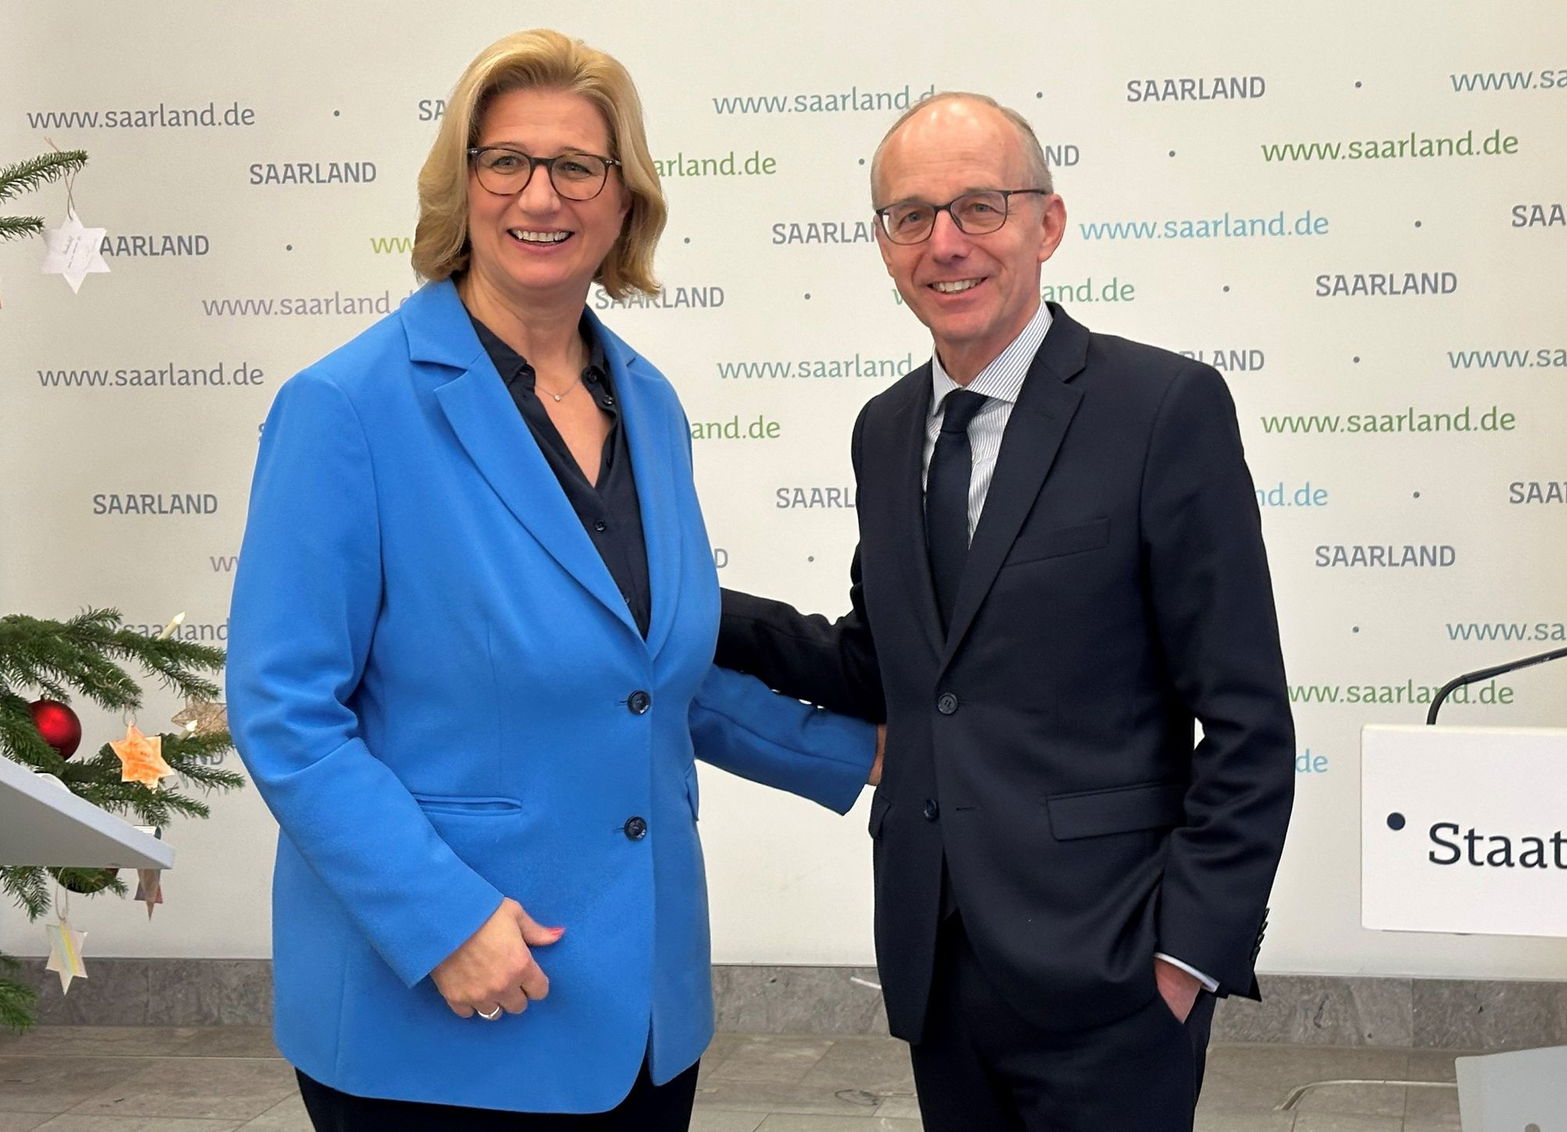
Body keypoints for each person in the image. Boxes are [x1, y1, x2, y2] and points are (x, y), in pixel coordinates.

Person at [226, 28, 878, 1130]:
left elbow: (646, 670)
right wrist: (439, 921)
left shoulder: (652, 404)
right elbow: (285, 714)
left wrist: (867, 754)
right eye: (508, 161)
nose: (543, 193)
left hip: (642, 1012)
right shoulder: (346, 408)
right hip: (438, 1005)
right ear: (461, 185)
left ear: (624, 202)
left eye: (579, 166)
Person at [716, 92, 1295, 1131]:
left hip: (1114, 977)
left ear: (1047, 224)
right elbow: (884, 666)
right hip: (937, 962)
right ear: (885, 243)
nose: (944, 243)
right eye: (910, 216)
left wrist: (1185, 954)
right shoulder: (884, 430)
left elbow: (1249, 720)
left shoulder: (1162, 409)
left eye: (978, 207)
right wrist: (686, 607)